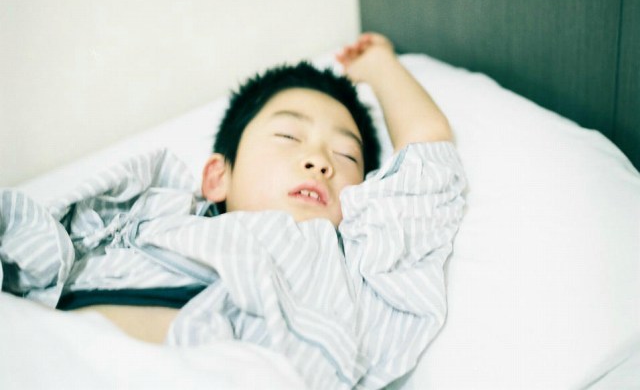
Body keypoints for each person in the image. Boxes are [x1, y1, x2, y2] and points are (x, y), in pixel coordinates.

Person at [0, 33, 466, 390]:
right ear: (217, 177)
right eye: (288, 137)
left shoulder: (354, 260)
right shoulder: (151, 212)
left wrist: (380, 65)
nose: (319, 161)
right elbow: (37, 244)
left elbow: (427, 156)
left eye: (346, 157)